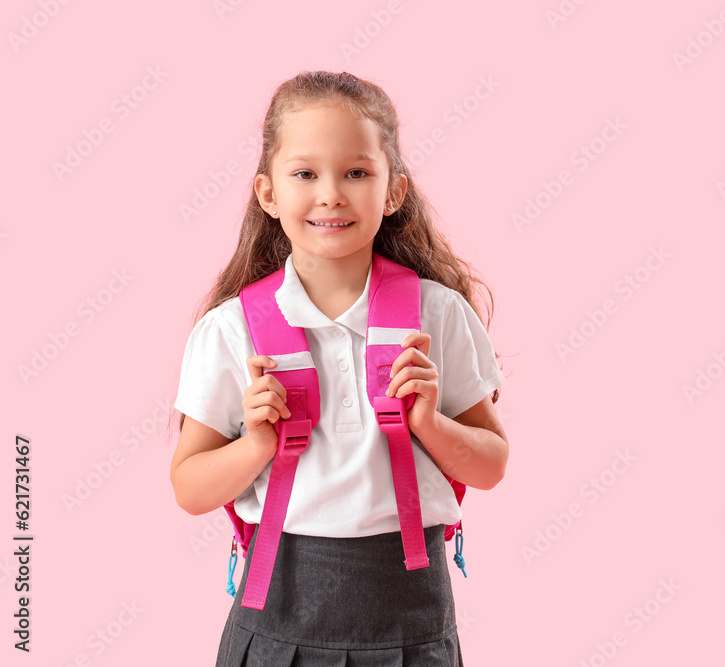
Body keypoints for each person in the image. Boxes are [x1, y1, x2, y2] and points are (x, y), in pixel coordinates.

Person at [169, 70, 509, 666]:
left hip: (413, 622)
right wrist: (255, 445)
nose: (330, 194)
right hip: (277, 621)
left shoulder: (439, 316)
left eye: (356, 172)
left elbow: (491, 465)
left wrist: (431, 423)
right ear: (268, 194)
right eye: (305, 173)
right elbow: (189, 489)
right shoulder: (230, 331)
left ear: (394, 191)